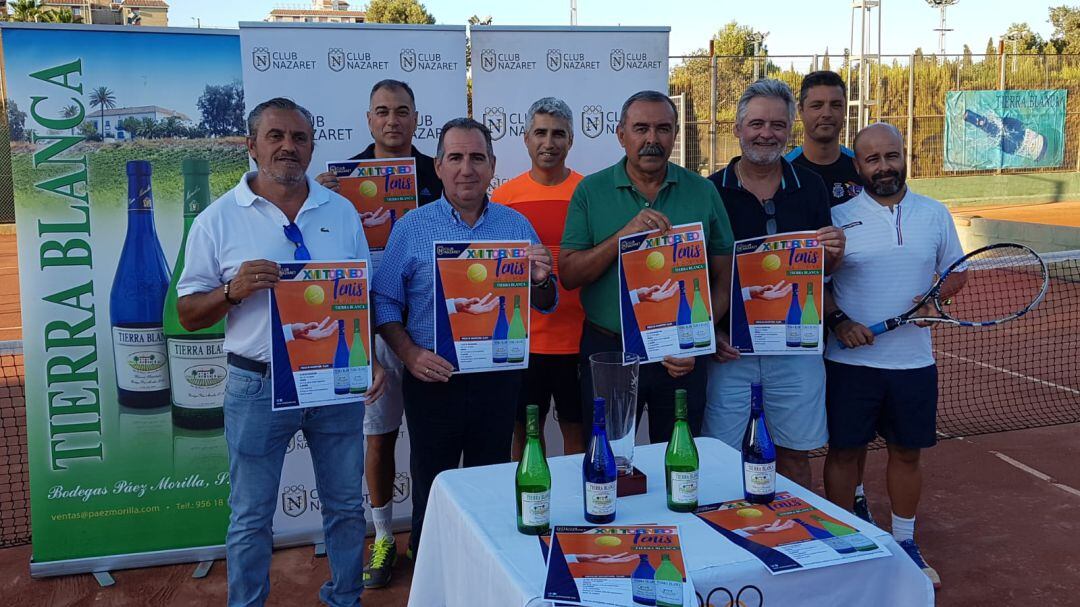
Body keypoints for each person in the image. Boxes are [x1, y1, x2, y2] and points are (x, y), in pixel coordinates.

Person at [176, 97, 386, 607]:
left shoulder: (340, 211)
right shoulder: (217, 219)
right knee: (251, 513)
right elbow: (187, 312)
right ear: (252, 146)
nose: (288, 147)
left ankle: (345, 597)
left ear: (312, 147)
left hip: (332, 377)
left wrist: (370, 357)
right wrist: (231, 291)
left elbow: (360, 295)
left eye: (299, 138)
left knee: (344, 505)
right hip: (257, 382)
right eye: (275, 137)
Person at [371, 118, 556, 559]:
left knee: (489, 487)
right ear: (438, 166)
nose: (466, 168)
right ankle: (428, 567)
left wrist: (543, 278)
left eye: (477, 158)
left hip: (498, 382)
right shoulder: (412, 227)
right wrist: (409, 354)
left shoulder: (515, 225)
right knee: (432, 487)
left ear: (492, 165)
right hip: (433, 379)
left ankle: (482, 570)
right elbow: (382, 302)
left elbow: (545, 302)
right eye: (455, 157)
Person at [822, 122, 962, 589]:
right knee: (845, 455)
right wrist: (840, 320)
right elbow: (814, 284)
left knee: (906, 454)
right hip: (849, 365)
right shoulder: (837, 218)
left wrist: (934, 301)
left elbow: (954, 273)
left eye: (891, 156)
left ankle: (904, 540)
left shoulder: (935, 213)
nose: (884, 167)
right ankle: (846, 542)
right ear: (857, 166)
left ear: (905, 158)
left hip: (913, 364)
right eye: (872, 159)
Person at [314, 79, 442, 589]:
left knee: (434, 440)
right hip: (371, 326)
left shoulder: (441, 171)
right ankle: (385, 535)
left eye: (402, 111)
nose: (392, 120)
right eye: (382, 111)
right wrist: (321, 199)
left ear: (416, 119)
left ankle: (433, 535)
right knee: (379, 438)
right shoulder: (341, 182)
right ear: (369, 119)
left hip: (433, 328)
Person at [561, 90, 734, 442]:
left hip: (679, 355)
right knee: (608, 462)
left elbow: (725, 276)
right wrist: (623, 236)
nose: (652, 139)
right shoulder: (590, 191)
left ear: (675, 134)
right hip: (610, 351)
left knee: (678, 463)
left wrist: (695, 340)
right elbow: (569, 274)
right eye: (641, 129)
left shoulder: (702, 191)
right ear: (621, 134)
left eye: (663, 129)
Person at [704, 79, 845, 490]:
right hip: (730, 353)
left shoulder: (811, 187)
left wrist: (834, 252)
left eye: (778, 125)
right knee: (722, 457)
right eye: (757, 124)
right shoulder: (709, 190)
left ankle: (793, 534)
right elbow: (697, 274)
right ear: (737, 128)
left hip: (795, 352)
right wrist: (708, 332)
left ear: (789, 130)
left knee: (794, 456)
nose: (767, 134)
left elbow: (819, 270)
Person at [492, 97, 587, 459]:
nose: (549, 143)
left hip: (578, 339)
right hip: (523, 342)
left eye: (558, 134)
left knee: (577, 437)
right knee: (524, 436)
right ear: (526, 138)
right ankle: (531, 508)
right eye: (541, 133)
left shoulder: (587, 192)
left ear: (571, 140)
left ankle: (579, 508)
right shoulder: (504, 198)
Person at [785, 71, 863, 208]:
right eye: (817, 106)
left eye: (836, 105)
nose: (827, 114)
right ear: (800, 110)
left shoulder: (861, 168)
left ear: (845, 110)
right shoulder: (784, 170)